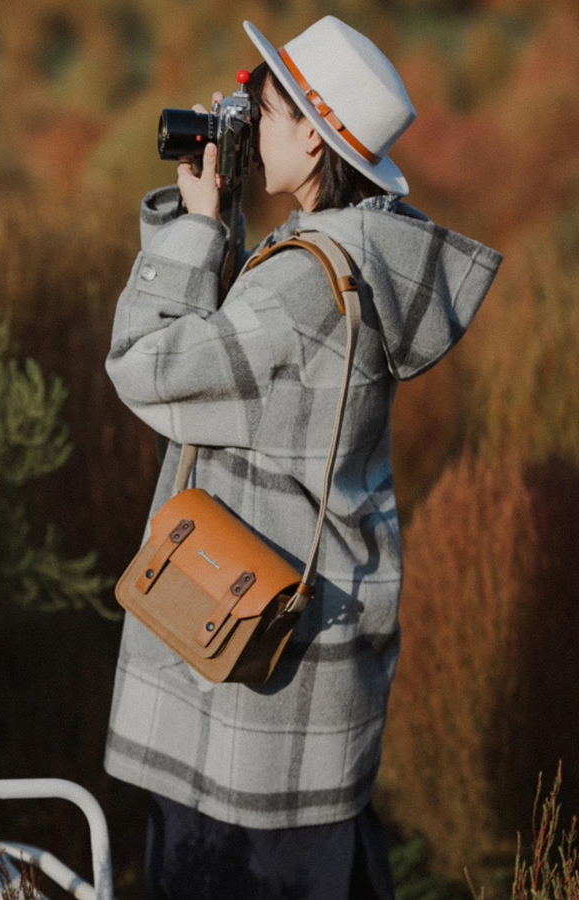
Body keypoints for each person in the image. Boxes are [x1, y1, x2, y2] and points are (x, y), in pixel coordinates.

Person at [104, 16, 502, 900]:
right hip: (314, 675)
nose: (249, 126)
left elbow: (148, 369)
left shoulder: (301, 285)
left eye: (266, 111)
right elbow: (251, 373)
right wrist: (216, 217)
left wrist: (194, 233)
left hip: (255, 710)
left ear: (316, 141)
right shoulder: (353, 257)